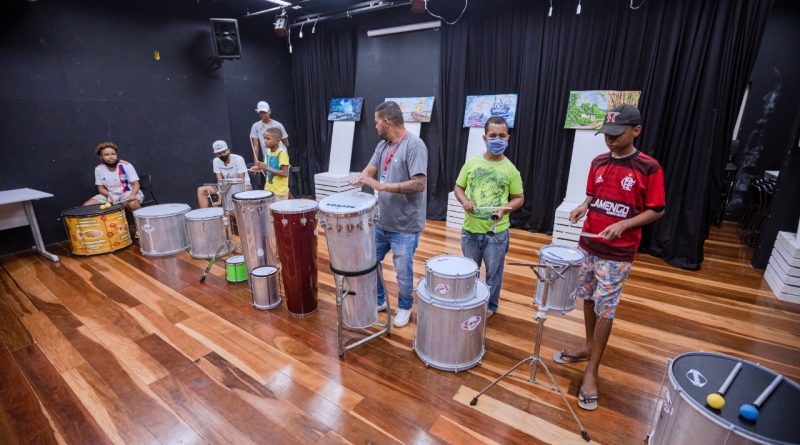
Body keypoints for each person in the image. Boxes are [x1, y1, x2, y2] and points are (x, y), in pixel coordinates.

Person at [553, 104, 665, 411]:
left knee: (606, 307)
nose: (610, 140)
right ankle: (588, 345)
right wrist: (583, 206)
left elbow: (657, 209)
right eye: (606, 134)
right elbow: (594, 193)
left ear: (636, 130)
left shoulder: (649, 168)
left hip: (617, 253)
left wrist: (624, 224)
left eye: (616, 135)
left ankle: (593, 369)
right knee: (588, 297)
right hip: (589, 244)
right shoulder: (599, 161)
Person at [350, 101, 428, 328]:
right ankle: (380, 300)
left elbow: (419, 184)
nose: (374, 127)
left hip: (405, 225)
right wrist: (361, 177)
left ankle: (404, 306)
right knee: (370, 261)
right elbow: (370, 169)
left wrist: (383, 186)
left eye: (376, 123)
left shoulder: (415, 146)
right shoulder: (382, 146)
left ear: (386, 122)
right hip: (381, 221)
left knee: (403, 272)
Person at [454, 116, 524, 318]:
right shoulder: (472, 163)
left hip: (496, 233)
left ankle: (490, 306)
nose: (497, 139)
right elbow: (458, 187)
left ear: (508, 138)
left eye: (502, 136)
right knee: (469, 271)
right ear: (484, 137)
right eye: (493, 135)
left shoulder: (511, 170)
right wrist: (464, 201)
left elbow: (519, 198)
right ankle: (470, 301)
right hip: (470, 230)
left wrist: (505, 208)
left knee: (494, 273)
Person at [84, 141, 144, 211]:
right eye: (106, 155)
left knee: (133, 204)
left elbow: (136, 184)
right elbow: (101, 188)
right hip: (111, 195)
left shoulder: (126, 165)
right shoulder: (98, 169)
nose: (111, 157)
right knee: (87, 206)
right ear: (101, 157)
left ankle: (143, 221)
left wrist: (133, 194)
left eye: (113, 154)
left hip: (128, 193)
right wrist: (108, 195)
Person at [196, 140, 251, 208]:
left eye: (224, 152)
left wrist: (224, 196)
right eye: (219, 153)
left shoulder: (239, 159)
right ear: (216, 154)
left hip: (243, 186)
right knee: (201, 190)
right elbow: (220, 181)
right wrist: (220, 199)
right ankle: (205, 214)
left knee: (234, 195)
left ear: (228, 150)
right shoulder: (216, 161)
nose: (222, 155)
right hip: (226, 186)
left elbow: (240, 181)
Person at [250, 127, 290, 200]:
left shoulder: (282, 153)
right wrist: (259, 168)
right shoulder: (268, 152)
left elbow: (285, 173)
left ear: (277, 140)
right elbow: (267, 167)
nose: (265, 141)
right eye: (264, 138)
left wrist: (266, 168)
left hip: (279, 193)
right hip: (269, 190)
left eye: (268, 139)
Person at [249, 101, 289, 165]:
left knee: (282, 173)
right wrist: (255, 164)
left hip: (281, 155)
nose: (262, 114)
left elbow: (286, 143)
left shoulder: (278, 125)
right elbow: (255, 147)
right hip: (268, 157)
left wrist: (281, 152)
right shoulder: (255, 126)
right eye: (260, 112)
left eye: (264, 112)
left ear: (269, 111)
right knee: (270, 174)